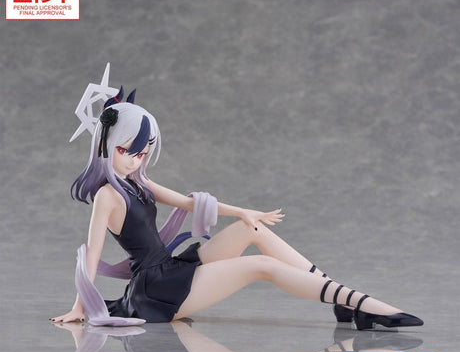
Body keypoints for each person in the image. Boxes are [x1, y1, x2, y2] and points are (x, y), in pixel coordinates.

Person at [51, 85, 423, 330]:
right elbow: (92, 254)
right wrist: (82, 307)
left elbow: (189, 202)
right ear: (105, 146)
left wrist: (244, 212)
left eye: (143, 152)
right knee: (260, 266)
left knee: (251, 230)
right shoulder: (108, 196)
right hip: (157, 291)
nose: (136, 159)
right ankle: (361, 303)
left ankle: (340, 299)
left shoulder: (138, 183)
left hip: (172, 269)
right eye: (127, 150)